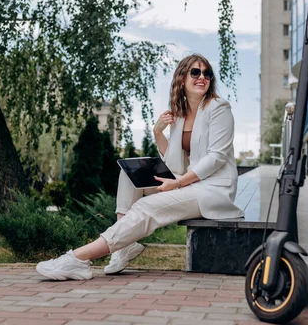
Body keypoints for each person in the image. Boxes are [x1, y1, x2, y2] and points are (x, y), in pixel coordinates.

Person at [36, 53, 244, 281]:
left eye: (207, 73)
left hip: (212, 189)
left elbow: (216, 157)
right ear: (182, 78)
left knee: (146, 207)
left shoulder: (219, 108)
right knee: (130, 173)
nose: (202, 77)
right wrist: (158, 132)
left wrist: (178, 182)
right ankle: (123, 247)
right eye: (195, 72)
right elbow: (173, 161)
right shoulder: (181, 115)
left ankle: (78, 259)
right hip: (189, 183)